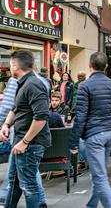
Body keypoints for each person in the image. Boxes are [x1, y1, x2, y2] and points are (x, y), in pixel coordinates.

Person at [69, 52, 111, 208]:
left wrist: (73, 142)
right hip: (110, 132)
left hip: (94, 135)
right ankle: (91, 205)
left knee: (99, 177)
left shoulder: (85, 86)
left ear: (90, 66)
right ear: (106, 67)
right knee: (99, 174)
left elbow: (80, 116)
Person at [0, 50, 51, 208]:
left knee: (29, 187)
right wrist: (6, 125)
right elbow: (15, 108)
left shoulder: (34, 84)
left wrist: (25, 141)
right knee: (14, 183)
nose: (9, 68)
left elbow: (41, 117)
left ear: (15, 65)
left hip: (30, 144)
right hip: (21, 142)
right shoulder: (22, 83)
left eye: (10, 65)